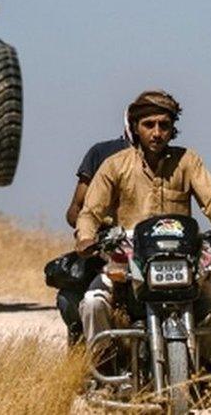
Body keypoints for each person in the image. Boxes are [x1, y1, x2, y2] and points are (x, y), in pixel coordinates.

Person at [76, 89, 211, 370]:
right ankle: (104, 369)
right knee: (93, 302)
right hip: (130, 256)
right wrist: (85, 237)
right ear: (135, 127)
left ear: (172, 129)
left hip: (183, 256)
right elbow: (90, 211)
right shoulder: (114, 165)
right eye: (149, 125)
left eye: (164, 125)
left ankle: (207, 372)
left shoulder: (188, 162)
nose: (156, 133)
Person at [53, 115, 132, 345]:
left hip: (151, 250)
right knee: (72, 299)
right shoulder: (102, 153)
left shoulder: (175, 160)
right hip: (108, 250)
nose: (156, 133)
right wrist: (92, 234)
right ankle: (88, 360)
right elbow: (75, 211)